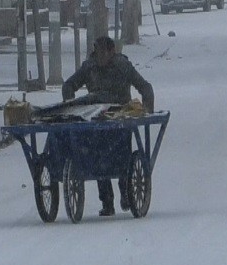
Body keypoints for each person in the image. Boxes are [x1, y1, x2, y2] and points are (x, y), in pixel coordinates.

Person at [62, 36, 156, 217]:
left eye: (103, 52)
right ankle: (107, 203)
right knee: (98, 159)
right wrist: (69, 104)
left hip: (120, 117)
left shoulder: (123, 66)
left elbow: (144, 86)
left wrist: (147, 108)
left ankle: (126, 194)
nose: (100, 57)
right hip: (96, 117)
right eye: (97, 53)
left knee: (122, 156)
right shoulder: (89, 67)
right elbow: (69, 85)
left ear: (112, 52)